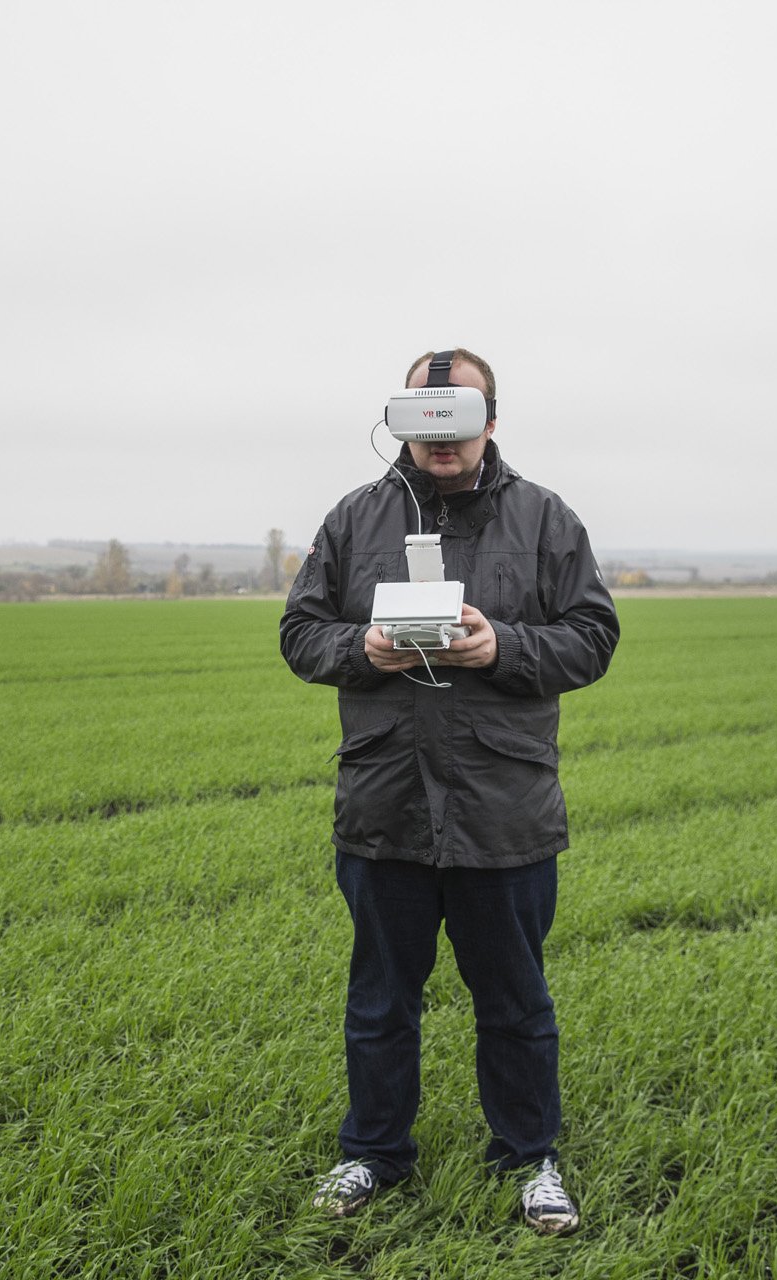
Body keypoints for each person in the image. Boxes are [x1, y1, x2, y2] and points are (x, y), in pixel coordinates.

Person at [277, 347, 619, 1235]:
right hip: (385, 803)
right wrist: (365, 651)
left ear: (491, 421)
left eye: (459, 416)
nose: (442, 437)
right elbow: (301, 633)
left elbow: (592, 637)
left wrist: (499, 646)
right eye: (425, 416)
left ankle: (530, 1158)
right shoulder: (354, 519)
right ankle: (373, 1155)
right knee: (380, 1000)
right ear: (402, 420)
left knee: (515, 1001)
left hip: (502, 806)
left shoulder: (546, 520)